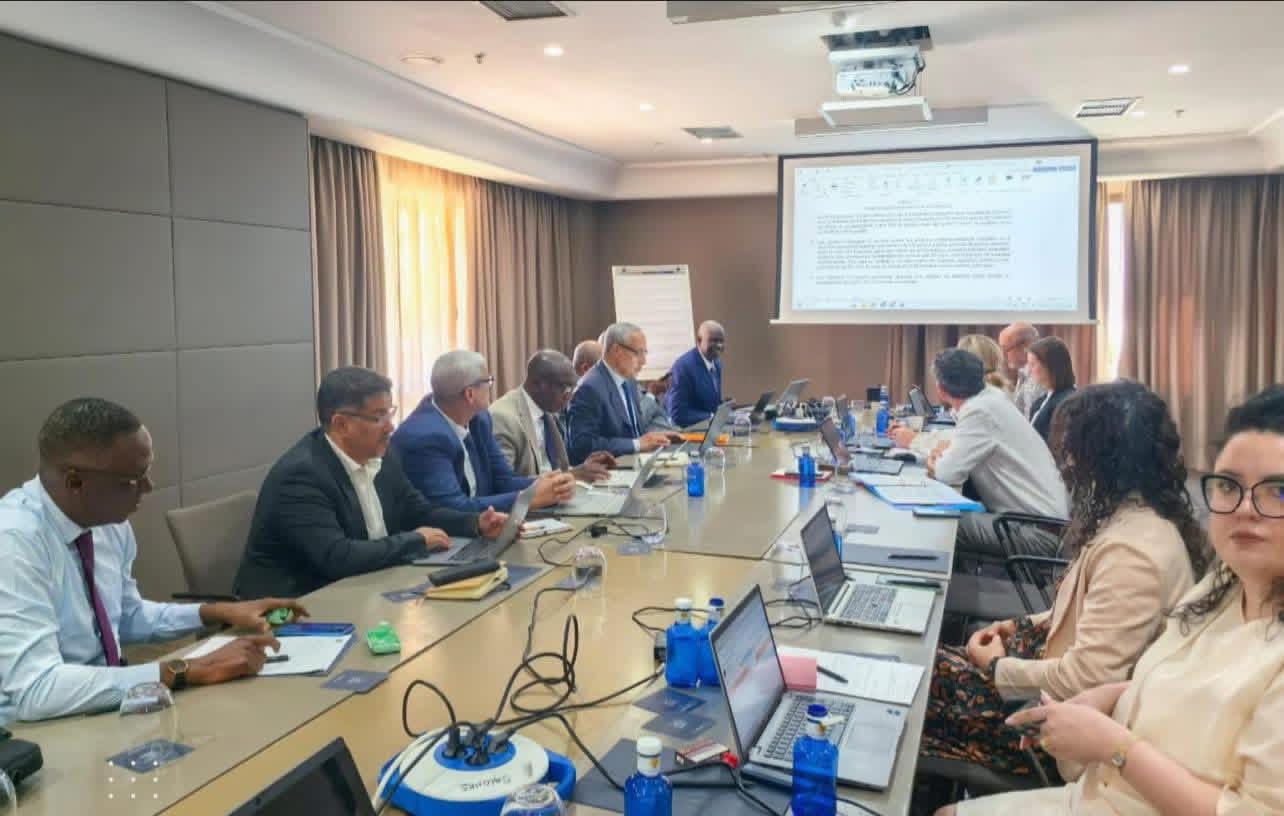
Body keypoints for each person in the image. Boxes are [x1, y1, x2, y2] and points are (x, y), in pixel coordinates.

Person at [938, 384, 1284, 815]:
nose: (1245, 509)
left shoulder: (1135, 549)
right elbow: (1178, 677)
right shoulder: (1225, 587)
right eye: (1229, 486)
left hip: (1114, 780)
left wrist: (1114, 744)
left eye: (1278, 491)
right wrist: (1114, 693)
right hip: (1107, 778)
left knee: (923, 694)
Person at [921, 381, 1203, 779]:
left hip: (1053, 728)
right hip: (1045, 681)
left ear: (1098, 459)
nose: (1064, 465)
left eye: (1071, 452)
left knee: (915, 685)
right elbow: (1082, 612)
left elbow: (1085, 678)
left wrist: (998, 667)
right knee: (922, 667)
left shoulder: (1133, 556)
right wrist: (1018, 624)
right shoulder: (1136, 518)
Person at [0, 398, 308, 723]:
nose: (149, 487)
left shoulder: (107, 524)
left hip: (104, 703)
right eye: (132, 480)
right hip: (32, 729)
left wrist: (218, 612)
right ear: (75, 482)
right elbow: (37, 689)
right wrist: (185, 668)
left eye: (147, 471)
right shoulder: (14, 543)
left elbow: (127, 617)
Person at [235, 367, 505, 599]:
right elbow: (337, 556)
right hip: (296, 608)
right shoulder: (301, 476)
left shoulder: (381, 454)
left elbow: (418, 511)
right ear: (342, 424)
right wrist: (415, 540)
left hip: (366, 586)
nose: (390, 426)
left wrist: (475, 523)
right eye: (378, 417)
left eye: (390, 413)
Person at [391, 351, 575, 514]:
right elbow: (453, 508)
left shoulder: (479, 419)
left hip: (481, 526)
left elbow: (502, 479)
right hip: (446, 535)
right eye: (488, 381)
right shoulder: (425, 438)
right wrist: (528, 498)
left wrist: (549, 484)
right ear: (470, 394)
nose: (491, 386)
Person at [927, 349, 1068, 558]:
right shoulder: (991, 397)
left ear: (940, 390)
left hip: (1037, 533)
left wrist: (934, 461)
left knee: (941, 520)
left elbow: (947, 473)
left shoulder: (979, 411)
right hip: (1046, 523)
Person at [489, 349, 616, 480]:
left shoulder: (547, 410)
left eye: (572, 389)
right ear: (538, 384)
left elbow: (553, 469)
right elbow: (503, 483)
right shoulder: (504, 418)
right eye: (565, 388)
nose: (569, 396)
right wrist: (572, 475)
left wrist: (584, 467)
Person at [566, 322, 680, 464]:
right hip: (609, 470)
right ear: (617, 350)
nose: (643, 361)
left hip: (637, 463)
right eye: (638, 353)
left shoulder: (629, 380)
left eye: (645, 353)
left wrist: (655, 437)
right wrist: (637, 444)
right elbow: (583, 446)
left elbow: (634, 432)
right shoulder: (588, 388)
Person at [666, 321, 727, 427]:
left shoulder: (716, 362)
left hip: (710, 428)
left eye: (721, 341)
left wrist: (725, 409)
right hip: (689, 431)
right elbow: (677, 414)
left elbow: (709, 402)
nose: (719, 345)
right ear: (699, 340)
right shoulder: (683, 367)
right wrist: (711, 417)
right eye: (713, 340)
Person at [1026, 337, 1077, 444]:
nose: (1029, 370)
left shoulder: (1067, 402)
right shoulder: (1040, 402)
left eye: (1033, 364)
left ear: (1050, 365)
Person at [998, 322, 1047, 419]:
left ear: (1026, 346)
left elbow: (1032, 422)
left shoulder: (1038, 377)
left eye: (1006, 349)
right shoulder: (1024, 373)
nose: (1003, 355)